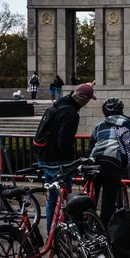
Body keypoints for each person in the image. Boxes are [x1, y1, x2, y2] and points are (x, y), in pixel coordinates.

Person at [34, 83, 97, 233]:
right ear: (86, 101)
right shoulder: (71, 114)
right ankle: (64, 233)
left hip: (44, 158)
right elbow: (64, 142)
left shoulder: (58, 104)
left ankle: (52, 232)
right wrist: (72, 161)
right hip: (58, 162)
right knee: (64, 199)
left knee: (52, 198)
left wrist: (87, 86)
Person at [89, 98, 130, 227]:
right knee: (108, 199)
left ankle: (87, 221)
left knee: (92, 195)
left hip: (94, 161)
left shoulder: (99, 125)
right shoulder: (126, 124)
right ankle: (106, 230)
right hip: (111, 162)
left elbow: (91, 144)